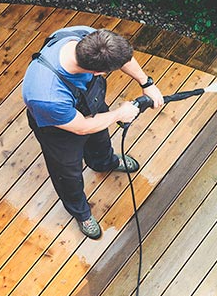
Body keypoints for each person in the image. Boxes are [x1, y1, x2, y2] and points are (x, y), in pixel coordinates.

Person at [22, 25, 163, 240]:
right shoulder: (46, 94)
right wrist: (119, 114)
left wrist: (147, 83)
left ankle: (104, 162)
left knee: (100, 140)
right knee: (67, 173)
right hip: (58, 129)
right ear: (98, 72)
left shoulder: (89, 39)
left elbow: (122, 57)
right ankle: (81, 213)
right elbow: (82, 127)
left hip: (89, 104)